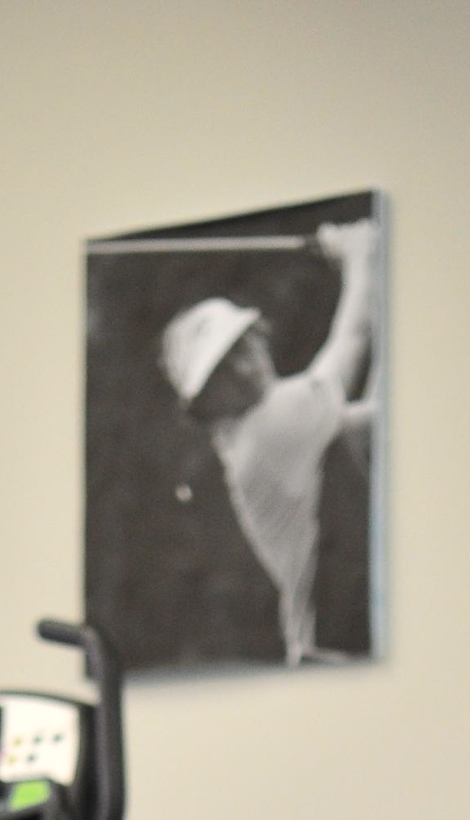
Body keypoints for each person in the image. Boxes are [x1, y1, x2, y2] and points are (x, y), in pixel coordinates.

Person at [157, 217, 381, 665]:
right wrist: (361, 254)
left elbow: (368, 421)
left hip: (334, 645)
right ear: (205, 406)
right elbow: (354, 339)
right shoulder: (265, 432)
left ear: (260, 336)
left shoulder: (268, 430)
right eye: (221, 372)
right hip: (334, 653)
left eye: (242, 347)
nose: (243, 368)